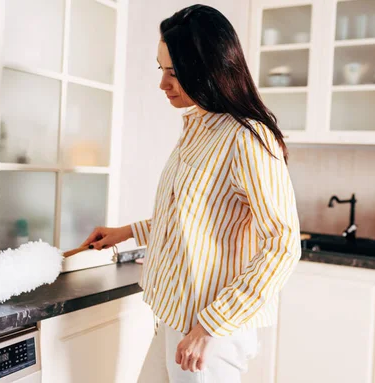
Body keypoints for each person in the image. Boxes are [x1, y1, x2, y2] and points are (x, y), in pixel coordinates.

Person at [81, 4, 301, 382]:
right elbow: (195, 215)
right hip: (177, 316)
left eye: (175, 72)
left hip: (210, 330)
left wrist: (211, 327)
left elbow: (283, 244)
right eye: (161, 69)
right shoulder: (199, 127)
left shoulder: (246, 137)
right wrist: (128, 232)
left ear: (209, 68)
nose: (163, 84)